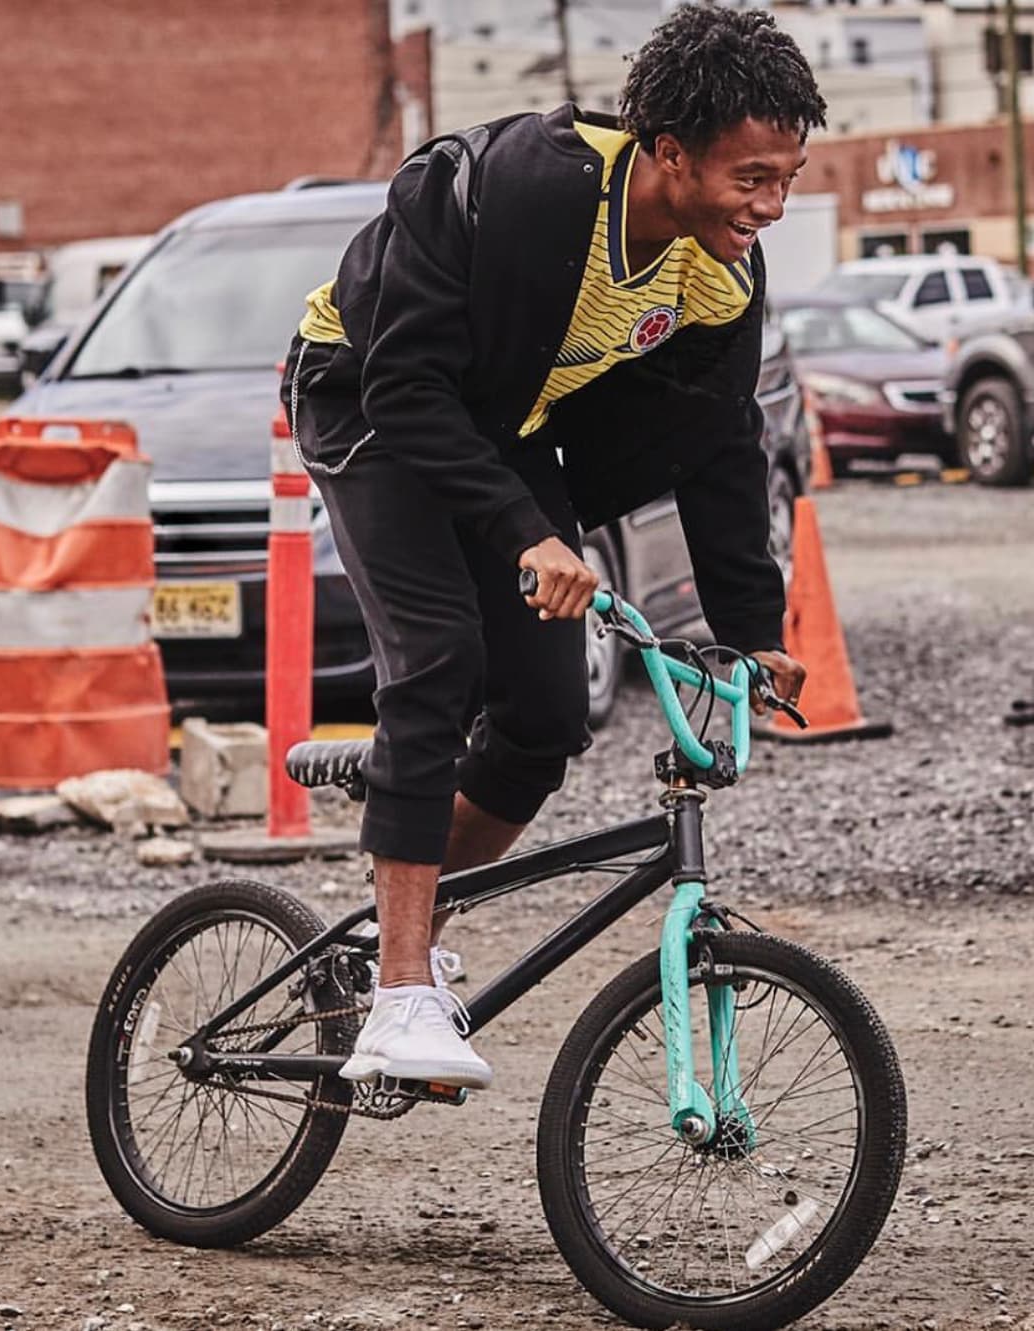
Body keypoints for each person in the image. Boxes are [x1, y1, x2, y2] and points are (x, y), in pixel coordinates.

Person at [281, 2, 824, 1090]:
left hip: (499, 423)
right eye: (752, 178)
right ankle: (399, 992)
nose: (771, 206)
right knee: (439, 655)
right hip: (372, 394)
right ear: (669, 152)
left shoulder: (720, 267)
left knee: (543, 716)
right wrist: (529, 534)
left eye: (787, 179)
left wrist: (751, 632)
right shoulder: (536, 195)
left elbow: (723, 440)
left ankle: (400, 921)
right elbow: (406, 388)